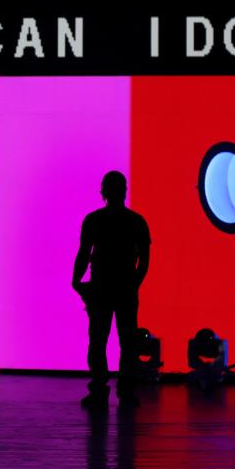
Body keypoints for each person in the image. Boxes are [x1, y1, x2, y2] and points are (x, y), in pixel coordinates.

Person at [72, 171, 150, 409]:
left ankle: (99, 388)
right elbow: (144, 260)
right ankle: (125, 391)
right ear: (124, 191)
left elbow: (84, 253)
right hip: (122, 288)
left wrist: (76, 281)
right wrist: (133, 283)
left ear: (103, 191)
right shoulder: (136, 221)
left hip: (101, 288)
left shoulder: (93, 220)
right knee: (125, 341)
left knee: (98, 340)